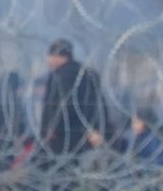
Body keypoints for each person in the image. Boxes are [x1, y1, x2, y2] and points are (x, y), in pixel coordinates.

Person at [39, 39, 110, 171]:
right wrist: (98, 128)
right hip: (86, 133)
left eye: (51, 56)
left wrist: (52, 127)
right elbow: (99, 103)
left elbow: (64, 105)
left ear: (59, 56)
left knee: (60, 174)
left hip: (64, 135)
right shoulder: (87, 72)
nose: (48, 60)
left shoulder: (62, 75)